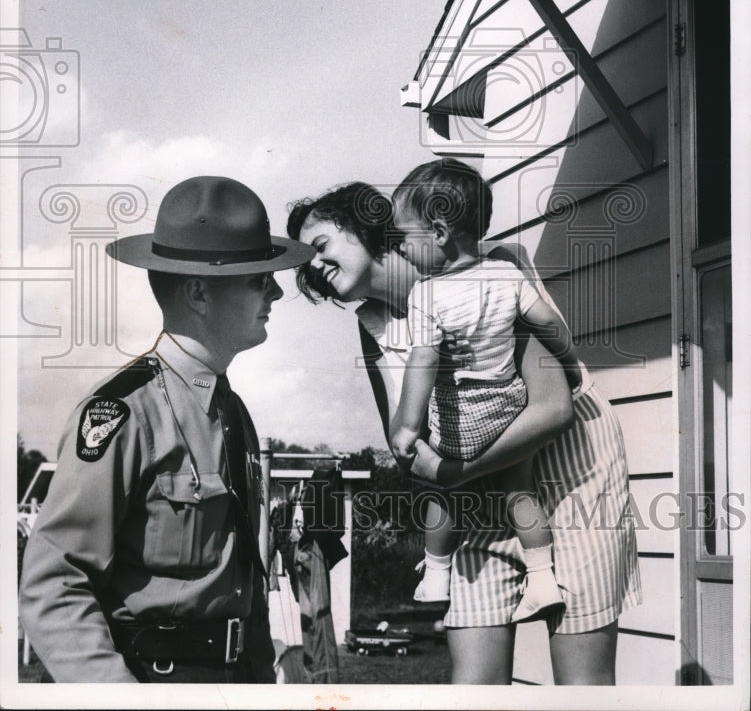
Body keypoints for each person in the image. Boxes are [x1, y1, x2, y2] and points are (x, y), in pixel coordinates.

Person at [287, 179, 641, 685]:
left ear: (366, 228)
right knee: (474, 685)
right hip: (471, 496)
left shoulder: (486, 271)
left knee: (580, 686)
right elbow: (401, 437)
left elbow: (551, 408)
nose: (314, 266)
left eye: (320, 246)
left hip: (569, 477)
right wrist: (438, 468)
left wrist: (450, 470)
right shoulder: (373, 326)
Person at [19, 176, 314, 683]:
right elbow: (55, 582)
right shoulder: (122, 413)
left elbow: (243, 582)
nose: (278, 291)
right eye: (257, 279)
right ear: (198, 292)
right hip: (151, 677)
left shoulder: (232, 412)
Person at [389, 159, 567, 623]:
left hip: (461, 416)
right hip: (510, 407)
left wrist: (409, 426)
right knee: (520, 491)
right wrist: (566, 354)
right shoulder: (506, 274)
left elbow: (422, 360)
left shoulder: (425, 295)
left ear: (440, 232)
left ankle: (436, 573)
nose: (401, 248)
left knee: (440, 489)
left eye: (405, 237)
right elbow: (545, 321)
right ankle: (543, 579)